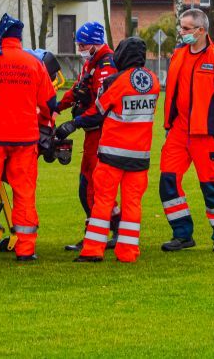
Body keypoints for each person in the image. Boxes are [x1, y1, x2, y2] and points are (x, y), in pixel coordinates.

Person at [55, 37, 160, 263]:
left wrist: (73, 123)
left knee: (103, 201)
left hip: (113, 153)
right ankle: (128, 252)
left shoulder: (115, 81)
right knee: (132, 205)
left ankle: (93, 250)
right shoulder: (154, 81)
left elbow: (98, 111)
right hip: (140, 156)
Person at [0, 13, 56, 261]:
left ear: (0, 36)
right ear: (19, 38)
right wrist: (43, 123)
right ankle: (26, 249)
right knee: (24, 193)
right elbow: (49, 102)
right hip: (25, 140)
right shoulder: (33, 62)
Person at [159, 9, 214, 252]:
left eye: (186, 29)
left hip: (205, 134)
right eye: (181, 28)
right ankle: (183, 235)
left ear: (201, 31)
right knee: (168, 181)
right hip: (178, 131)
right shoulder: (179, 55)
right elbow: (173, 93)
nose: (181, 33)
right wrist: (168, 125)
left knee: (211, 185)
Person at [55, 21, 117, 251]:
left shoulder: (106, 65)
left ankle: (95, 236)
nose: (79, 48)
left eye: (82, 44)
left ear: (94, 43)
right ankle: (114, 226)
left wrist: (74, 123)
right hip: (93, 132)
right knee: (89, 184)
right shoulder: (93, 62)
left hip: (102, 132)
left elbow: (102, 106)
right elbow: (79, 89)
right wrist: (57, 106)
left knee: (91, 186)